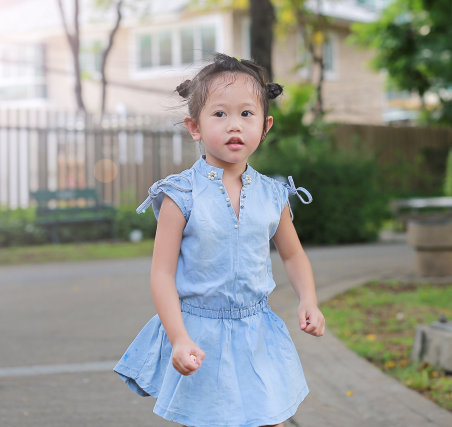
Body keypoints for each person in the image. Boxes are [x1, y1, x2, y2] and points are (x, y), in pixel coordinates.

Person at [113, 52, 325, 427]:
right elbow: (162, 274)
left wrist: (309, 299)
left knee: (271, 419)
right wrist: (178, 337)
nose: (234, 126)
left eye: (246, 114)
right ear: (194, 127)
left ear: (266, 125)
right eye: (219, 114)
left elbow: (293, 256)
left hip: (258, 333)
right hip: (200, 336)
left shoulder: (272, 195)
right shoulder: (181, 195)